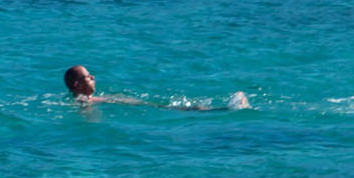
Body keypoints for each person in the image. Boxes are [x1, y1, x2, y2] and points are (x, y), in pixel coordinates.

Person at [63, 64, 249, 109]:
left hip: (138, 105)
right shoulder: (82, 102)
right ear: (78, 84)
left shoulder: (88, 99)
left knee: (174, 107)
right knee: (182, 109)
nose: (93, 77)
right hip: (140, 109)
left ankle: (223, 108)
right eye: (88, 77)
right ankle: (226, 109)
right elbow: (84, 111)